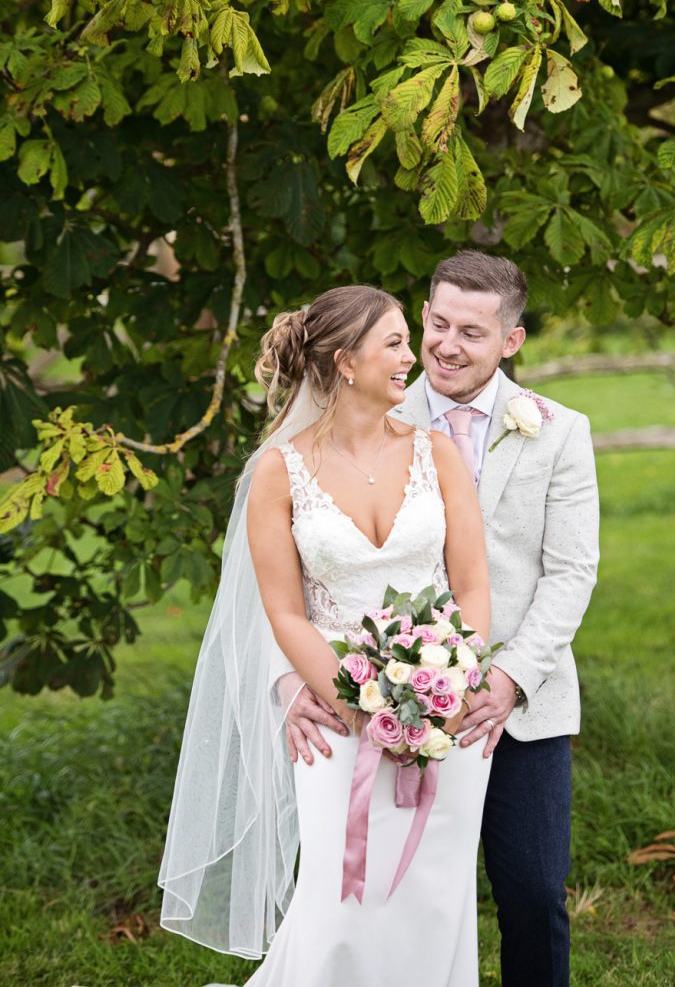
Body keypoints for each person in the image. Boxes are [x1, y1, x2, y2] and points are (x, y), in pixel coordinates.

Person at [159, 284, 493, 986]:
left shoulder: (437, 453)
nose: (412, 357)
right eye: (395, 344)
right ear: (345, 362)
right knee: (337, 901)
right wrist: (357, 706)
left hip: (445, 712)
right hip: (334, 718)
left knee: (437, 896)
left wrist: (451, 690)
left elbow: (472, 587)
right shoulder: (279, 472)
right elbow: (284, 611)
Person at [283, 252, 600, 987]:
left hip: (517, 704)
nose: (447, 346)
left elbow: (571, 572)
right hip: (379, 703)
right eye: (439, 324)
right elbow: (296, 572)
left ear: (512, 342)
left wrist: (507, 678)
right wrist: (289, 682)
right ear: (422, 315)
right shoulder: (370, 408)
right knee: (386, 899)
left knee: (533, 892)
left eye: (473, 333)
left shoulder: (559, 430)